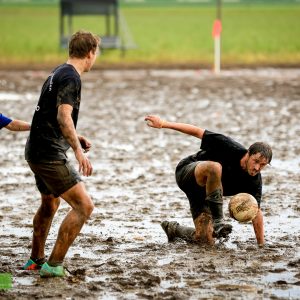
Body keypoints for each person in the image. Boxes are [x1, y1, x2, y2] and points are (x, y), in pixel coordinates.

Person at [23, 30, 100, 277]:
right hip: (48, 154)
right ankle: (53, 267)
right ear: (90, 53)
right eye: (95, 53)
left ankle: (36, 259)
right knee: (84, 206)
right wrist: (78, 152)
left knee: (50, 203)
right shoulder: (72, 78)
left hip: (35, 149)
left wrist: (75, 137)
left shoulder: (57, 71)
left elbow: (48, 114)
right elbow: (63, 116)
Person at [145, 115, 272, 247]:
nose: (257, 167)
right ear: (248, 153)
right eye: (256, 161)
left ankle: (173, 229)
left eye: (262, 165)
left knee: (205, 240)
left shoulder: (254, 181)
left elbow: (255, 210)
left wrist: (261, 245)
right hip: (187, 173)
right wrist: (164, 123)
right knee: (214, 167)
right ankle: (218, 221)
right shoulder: (229, 146)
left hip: (203, 194)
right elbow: (197, 131)